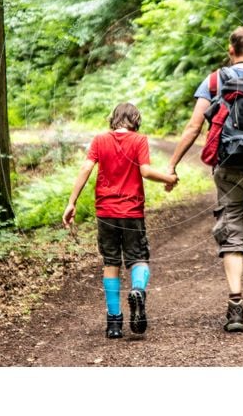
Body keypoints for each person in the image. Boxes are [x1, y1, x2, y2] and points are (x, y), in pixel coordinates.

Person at [167, 26, 243, 332]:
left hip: (227, 167)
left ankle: (236, 305)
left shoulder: (214, 80)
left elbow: (194, 127)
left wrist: (172, 165)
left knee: (230, 230)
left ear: (230, 50)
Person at [63, 102, 177, 339]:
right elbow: (145, 171)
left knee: (111, 263)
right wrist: (169, 178)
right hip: (131, 212)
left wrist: (72, 201)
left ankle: (114, 323)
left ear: (113, 119)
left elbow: (85, 168)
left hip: (105, 212)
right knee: (139, 259)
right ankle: (137, 291)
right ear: (136, 119)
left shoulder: (99, 140)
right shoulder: (139, 140)